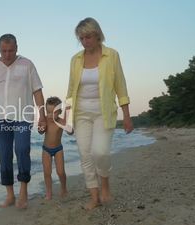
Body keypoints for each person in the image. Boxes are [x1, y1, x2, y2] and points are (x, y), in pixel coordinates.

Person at [0, 34, 46, 209]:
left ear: (17, 48)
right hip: (0, 119)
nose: (7, 54)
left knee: (22, 150)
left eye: (11, 50)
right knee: (4, 155)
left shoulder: (27, 64)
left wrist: (42, 115)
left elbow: (37, 91)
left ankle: (24, 193)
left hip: (23, 117)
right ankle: (10, 195)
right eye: (4, 51)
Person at [65, 17, 134, 210]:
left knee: (100, 151)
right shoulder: (76, 60)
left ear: (97, 35)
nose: (85, 41)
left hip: (104, 112)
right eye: (81, 38)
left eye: (88, 37)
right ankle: (94, 197)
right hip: (81, 114)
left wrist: (127, 116)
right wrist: (67, 119)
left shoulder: (111, 56)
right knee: (85, 154)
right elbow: (71, 91)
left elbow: (121, 86)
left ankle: (105, 184)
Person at [41, 96, 68, 200]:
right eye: (48, 112)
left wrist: (69, 127)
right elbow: (40, 131)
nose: (50, 115)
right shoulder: (46, 121)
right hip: (46, 149)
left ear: (60, 111)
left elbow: (70, 132)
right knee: (47, 173)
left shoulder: (61, 122)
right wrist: (41, 128)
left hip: (58, 149)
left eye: (54, 112)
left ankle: (64, 188)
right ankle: (48, 193)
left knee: (60, 172)